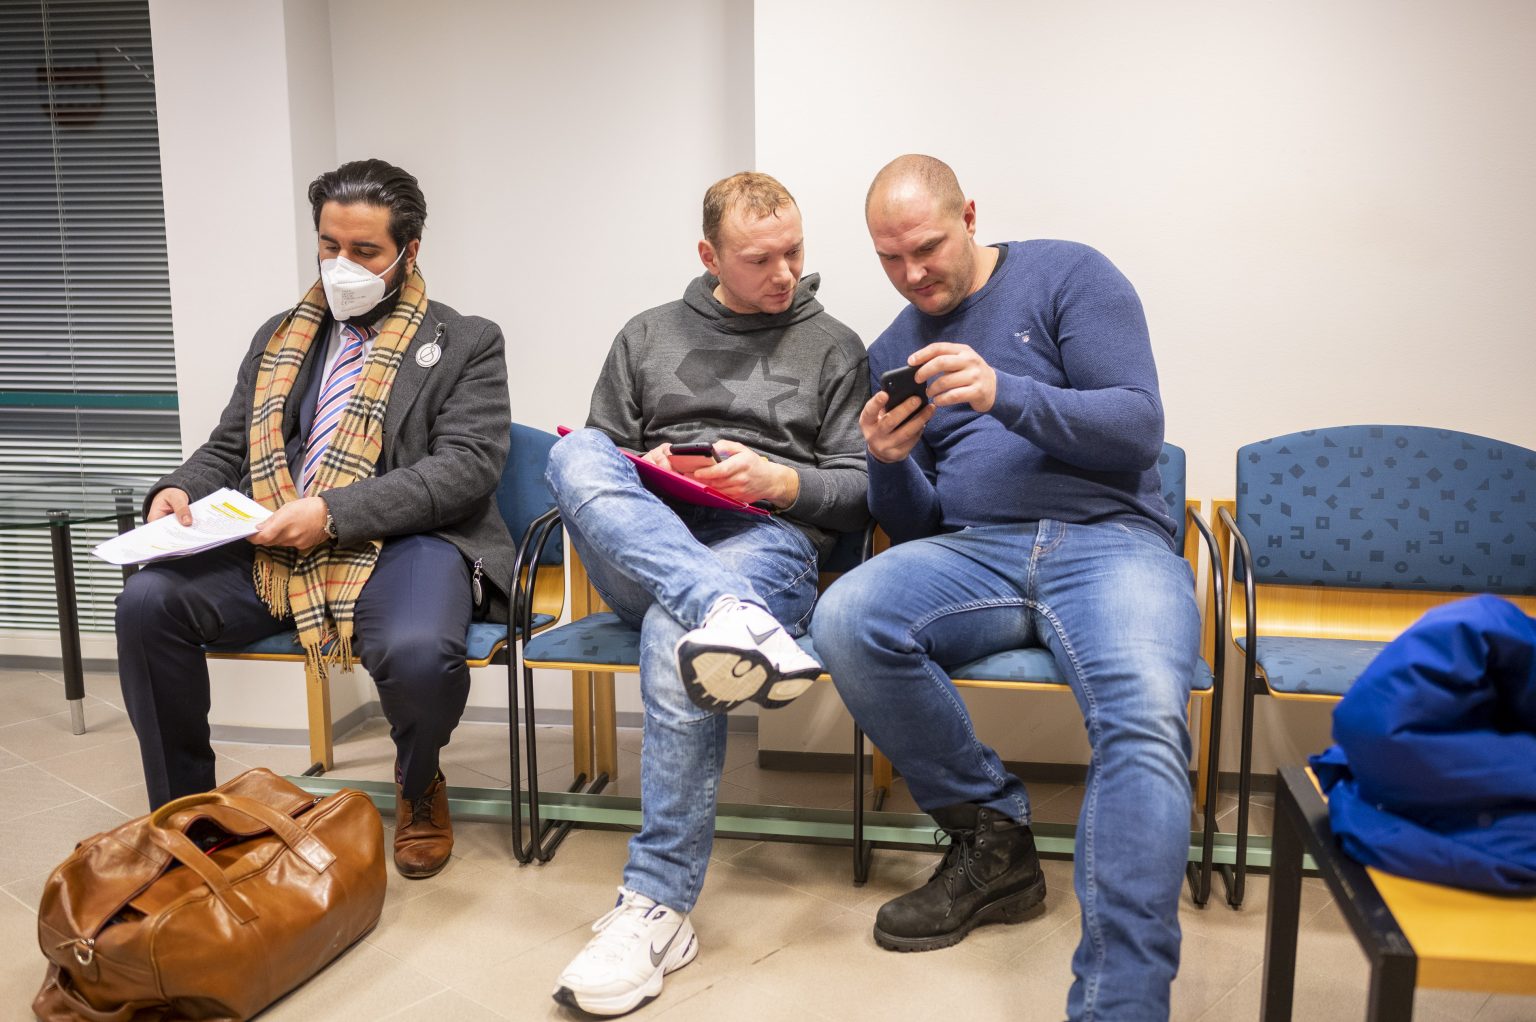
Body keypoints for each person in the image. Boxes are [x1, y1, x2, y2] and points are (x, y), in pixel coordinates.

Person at [812, 154, 1201, 1022]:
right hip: (975, 550)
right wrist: (888, 464)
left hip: (1110, 543)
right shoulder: (894, 348)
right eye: (889, 258)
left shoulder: (1070, 274)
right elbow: (917, 525)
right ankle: (994, 841)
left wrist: (1004, 392)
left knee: (1143, 718)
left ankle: (1120, 1003)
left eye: (926, 247)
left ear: (970, 216)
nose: (913, 274)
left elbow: (1138, 427)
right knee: (846, 617)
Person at [116, 159, 514, 880]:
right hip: (274, 543)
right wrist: (178, 489)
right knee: (148, 601)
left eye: (364, 250)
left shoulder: (467, 340)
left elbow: (466, 467)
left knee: (419, 652)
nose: (341, 265)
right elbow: (229, 447)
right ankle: (185, 814)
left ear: (408, 251)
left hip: (409, 539)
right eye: (330, 245)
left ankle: (419, 779)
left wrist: (333, 513)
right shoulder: (280, 336)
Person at [545, 171, 868, 1017]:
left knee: (673, 631)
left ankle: (656, 909)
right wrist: (649, 474)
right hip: (652, 541)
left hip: (767, 543)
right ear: (709, 255)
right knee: (572, 454)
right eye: (760, 259)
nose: (785, 272)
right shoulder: (646, 335)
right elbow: (599, 471)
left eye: (794, 251)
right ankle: (723, 610)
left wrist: (780, 481)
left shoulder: (835, 346)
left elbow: (861, 491)